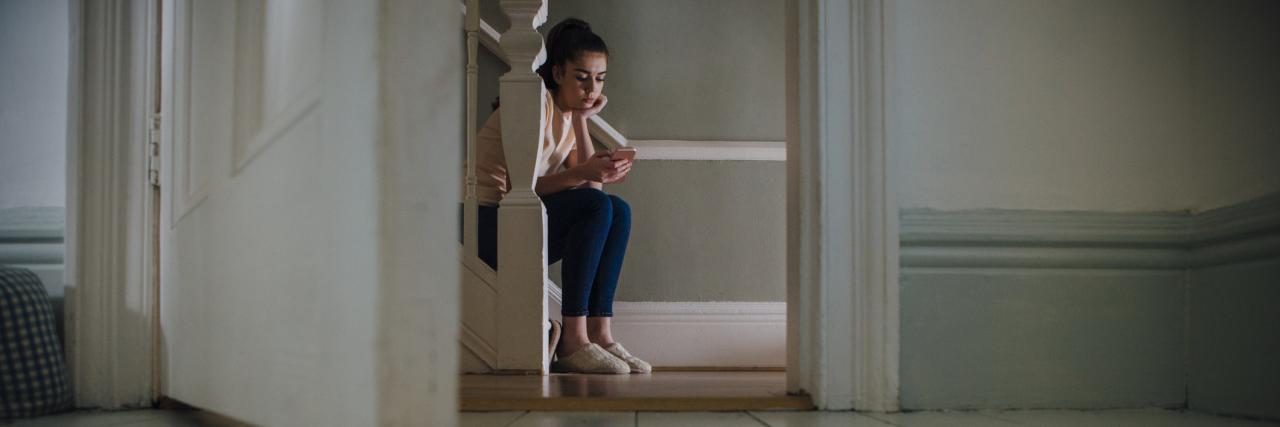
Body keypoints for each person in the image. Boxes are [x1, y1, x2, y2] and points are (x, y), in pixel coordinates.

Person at [463, 18, 650, 375]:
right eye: (582, 77)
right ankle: (573, 339)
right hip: (478, 220)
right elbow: (520, 188)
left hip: (509, 219)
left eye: (599, 78)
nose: (592, 88)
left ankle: (599, 332)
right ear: (558, 73)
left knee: (618, 209)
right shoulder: (535, 104)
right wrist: (583, 172)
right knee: (599, 206)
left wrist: (583, 119)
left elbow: (593, 193)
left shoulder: (565, 117)